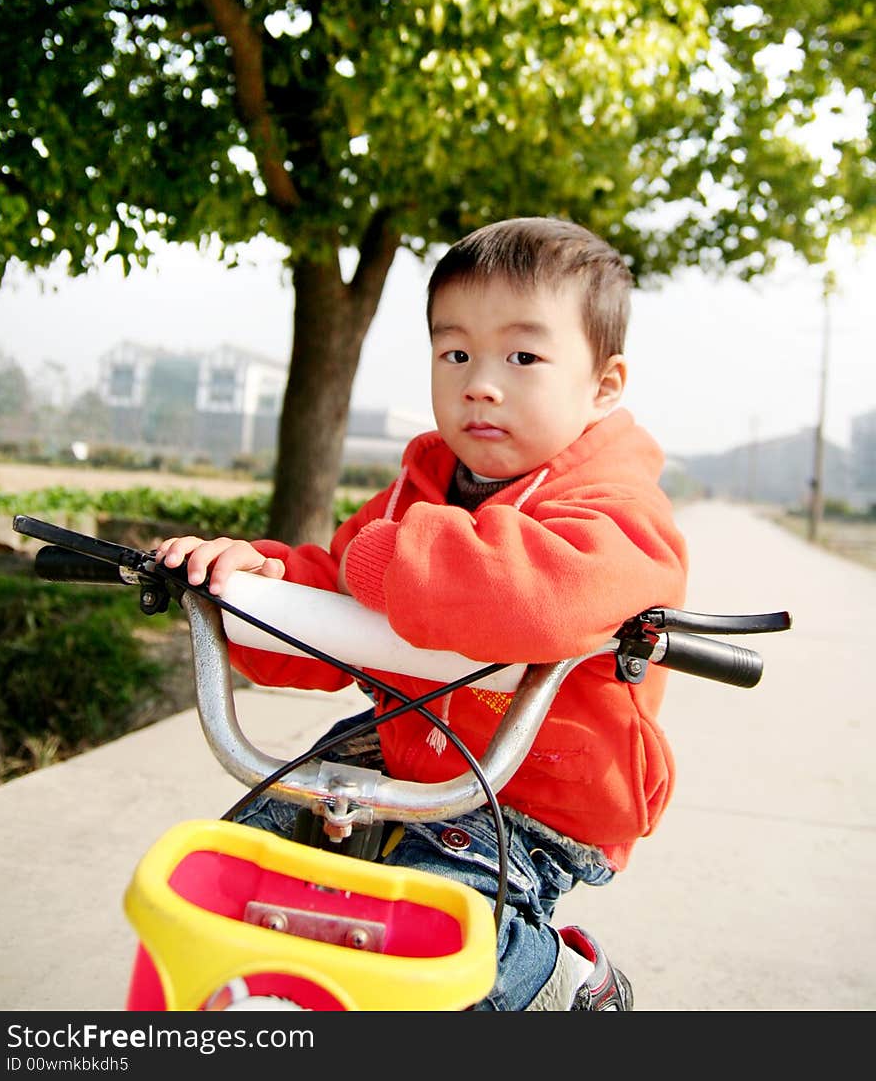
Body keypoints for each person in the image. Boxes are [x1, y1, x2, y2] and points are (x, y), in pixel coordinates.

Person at [156, 216, 688, 1011]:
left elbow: (540, 595)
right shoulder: (416, 494)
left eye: (523, 356)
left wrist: (384, 560)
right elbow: (335, 602)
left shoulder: (616, 510)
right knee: (249, 859)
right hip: (405, 745)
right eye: (455, 353)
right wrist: (253, 588)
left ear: (603, 385)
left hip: (537, 788)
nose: (480, 381)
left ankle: (561, 977)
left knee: (432, 938)